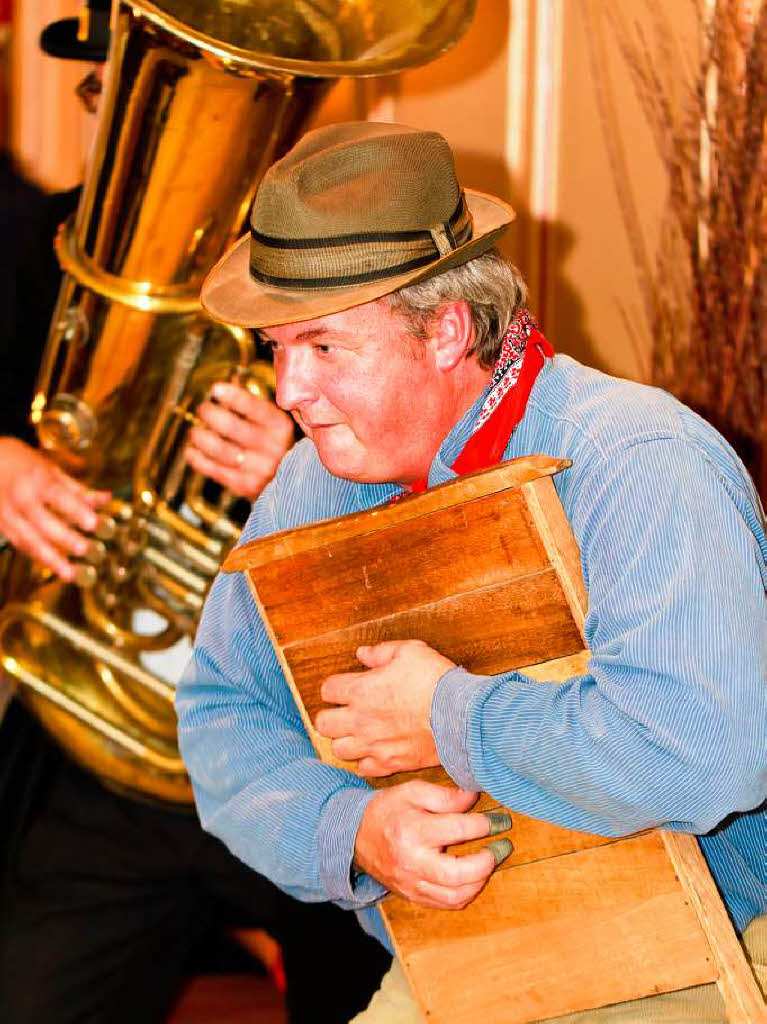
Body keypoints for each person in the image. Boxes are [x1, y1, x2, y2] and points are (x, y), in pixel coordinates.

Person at [176, 121, 767, 1022]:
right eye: (277, 348)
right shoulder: (311, 480)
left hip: (702, 948)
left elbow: (703, 754)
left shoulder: (637, 456)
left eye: (325, 348)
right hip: (466, 958)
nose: (288, 390)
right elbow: (222, 713)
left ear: (447, 330)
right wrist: (355, 831)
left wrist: (446, 716)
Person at [0, 12, 391, 1024]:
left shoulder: (354, 283)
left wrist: (304, 472)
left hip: (305, 749)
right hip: (103, 759)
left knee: (387, 999)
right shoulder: (21, 248)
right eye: (125, 103)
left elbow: (447, 483)